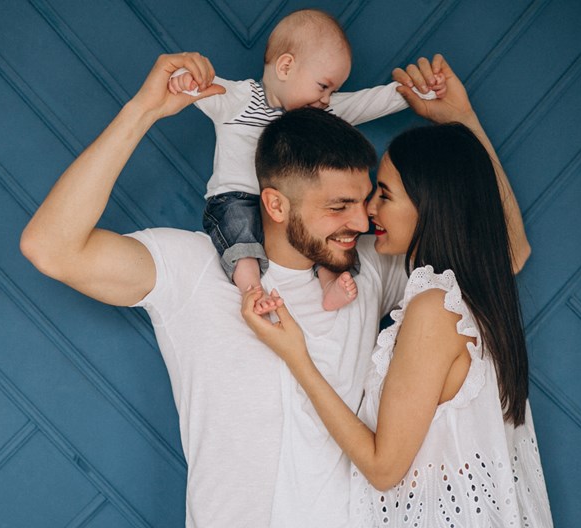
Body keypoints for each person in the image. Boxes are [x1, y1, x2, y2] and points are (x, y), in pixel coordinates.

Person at [242, 55, 564, 528]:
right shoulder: (463, 289)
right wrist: (462, 121)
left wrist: (297, 357)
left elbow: (385, 467)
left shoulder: (432, 306)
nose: (367, 214)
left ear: (430, 203)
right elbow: (513, 246)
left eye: (383, 194)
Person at [168, 9, 440, 311]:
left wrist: (416, 91)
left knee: (319, 243)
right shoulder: (239, 100)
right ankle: (251, 290)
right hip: (236, 198)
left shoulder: (318, 115)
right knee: (241, 243)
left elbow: (367, 102)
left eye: (333, 91)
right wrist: (184, 77)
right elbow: (200, 85)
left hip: (293, 209)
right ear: (286, 67)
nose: (327, 98)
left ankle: (329, 285)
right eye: (324, 86)